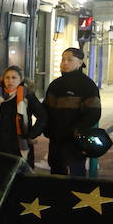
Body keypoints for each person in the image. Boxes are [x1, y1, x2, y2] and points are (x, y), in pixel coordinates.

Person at [42, 47, 101, 176]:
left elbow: (93, 113)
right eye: (63, 59)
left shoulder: (87, 85)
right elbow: (46, 109)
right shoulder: (55, 84)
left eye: (70, 60)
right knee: (56, 172)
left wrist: (76, 130)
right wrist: (47, 128)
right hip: (56, 139)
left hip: (75, 141)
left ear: (80, 63)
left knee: (76, 173)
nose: (65, 63)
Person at [0, 65, 47, 163]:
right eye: (7, 78)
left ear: (21, 79)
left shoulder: (27, 95)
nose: (10, 81)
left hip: (19, 142)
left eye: (14, 78)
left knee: (19, 173)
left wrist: (32, 134)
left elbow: (42, 116)